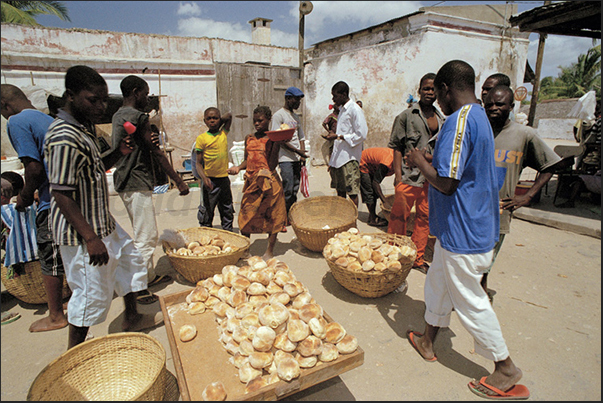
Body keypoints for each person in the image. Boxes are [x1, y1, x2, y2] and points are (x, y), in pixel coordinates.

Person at [405, 60, 529, 400]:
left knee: (471, 302)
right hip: (459, 228)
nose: (438, 102)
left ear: (445, 89)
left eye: (439, 94)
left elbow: (446, 183)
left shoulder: (460, 120)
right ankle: (428, 340)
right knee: (437, 283)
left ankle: (505, 368)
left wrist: (419, 161)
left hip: (465, 231)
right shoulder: (477, 117)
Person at [44, 65, 163, 349]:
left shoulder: (82, 129)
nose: (100, 106)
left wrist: (118, 155)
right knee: (90, 293)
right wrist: (91, 238)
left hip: (102, 221)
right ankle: (74, 354)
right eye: (92, 100)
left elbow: (94, 169)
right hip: (81, 232)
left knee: (131, 259)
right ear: (70, 96)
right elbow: (61, 194)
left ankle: (132, 316)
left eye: (102, 100)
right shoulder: (63, 136)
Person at [112, 75, 189, 305]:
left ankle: (149, 275)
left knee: (141, 231)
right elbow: (157, 152)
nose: (147, 98)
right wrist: (179, 180)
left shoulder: (118, 115)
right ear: (135, 92)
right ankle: (138, 289)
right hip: (136, 180)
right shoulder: (137, 116)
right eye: (145, 94)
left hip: (125, 180)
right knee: (146, 237)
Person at [482, 84, 563, 300]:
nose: (493, 108)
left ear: (511, 106)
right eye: (489, 104)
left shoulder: (524, 134)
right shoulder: (479, 131)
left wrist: (527, 196)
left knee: (487, 258)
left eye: (499, 104)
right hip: (473, 208)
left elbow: (550, 166)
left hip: (499, 210)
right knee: (471, 258)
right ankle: (477, 293)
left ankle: (481, 295)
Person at [1, 84, 69, 333]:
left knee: (49, 256)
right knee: (68, 254)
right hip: (69, 198)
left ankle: (55, 315)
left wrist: (26, 196)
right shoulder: (48, 119)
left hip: (52, 202)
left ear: (5, 106)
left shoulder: (17, 121)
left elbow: (34, 168)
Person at [387, 73, 444, 274]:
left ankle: (418, 259)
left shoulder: (442, 118)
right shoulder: (405, 116)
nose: (430, 92)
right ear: (419, 90)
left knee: (425, 218)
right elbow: (396, 147)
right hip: (409, 176)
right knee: (398, 218)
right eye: (426, 88)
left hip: (431, 178)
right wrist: (398, 176)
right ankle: (394, 256)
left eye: (433, 89)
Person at [228, 106, 287, 260]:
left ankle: (269, 251)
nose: (257, 124)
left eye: (260, 120)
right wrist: (238, 168)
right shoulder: (250, 138)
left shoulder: (272, 139)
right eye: (255, 121)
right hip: (252, 183)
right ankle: (246, 249)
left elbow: (272, 165)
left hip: (270, 183)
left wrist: (277, 143)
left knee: (273, 216)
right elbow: (248, 159)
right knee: (245, 215)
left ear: (269, 120)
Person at [322, 81, 368, 207]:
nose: (333, 99)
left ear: (343, 94)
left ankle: (352, 222)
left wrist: (339, 136)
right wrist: (332, 161)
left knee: (351, 192)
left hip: (349, 158)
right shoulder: (342, 110)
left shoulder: (355, 110)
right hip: (339, 159)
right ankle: (342, 219)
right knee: (340, 191)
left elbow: (361, 134)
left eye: (335, 96)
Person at [271, 87, 309, 230]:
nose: (298, 102)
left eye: (299, 99)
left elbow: (301, 136)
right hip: (285, 158)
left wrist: (302, 153)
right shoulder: (278, 116)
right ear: (288, 98)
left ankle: (291, 215)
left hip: (296, 158)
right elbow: (278, 139)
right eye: (296, 99)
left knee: (294, 189)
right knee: (287, 189)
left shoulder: (296, 117)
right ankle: (282, 218)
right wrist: (297, 151)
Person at [194, 107, 235, 232]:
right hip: (210, 181)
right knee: (207, 210)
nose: (212, 121)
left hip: (223, 179)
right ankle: (207, 233)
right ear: (204, 121)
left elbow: (229, 116)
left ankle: (228, 233)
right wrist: (204, 178)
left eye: (215, 118)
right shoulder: (202, 139)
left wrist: (219, 121)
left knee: (227, 209)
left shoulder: (223, 133)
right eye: (209, 119)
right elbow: (198, 163)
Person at [359, 147, 395, 227]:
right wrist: (385, 201)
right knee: (369, 190)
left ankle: (372, 216)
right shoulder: (387, 163)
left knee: (374, 191)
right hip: (363, 163)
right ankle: (372, 218)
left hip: (373, 164)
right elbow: (375, 183)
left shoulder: (399, 161)